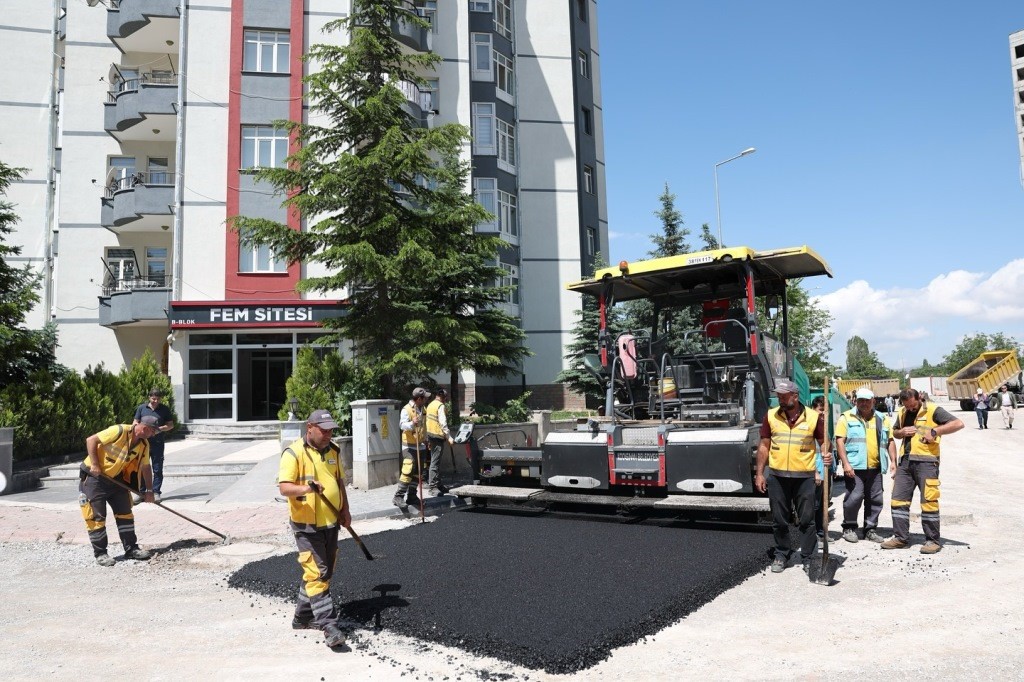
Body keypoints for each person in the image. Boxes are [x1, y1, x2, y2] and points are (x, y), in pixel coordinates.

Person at [277, 409, 349, 648]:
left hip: (330, 522)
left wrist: (345, 510)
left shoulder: (334, 451)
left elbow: (339, 482)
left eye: (330, 430)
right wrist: (307, 489)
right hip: (306, 524)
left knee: (321, 572)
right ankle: (329, 626)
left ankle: (302, 617)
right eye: (324, 430)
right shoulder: (294, 453)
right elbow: (284, 488)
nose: (328, 434)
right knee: (317, 572)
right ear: (310, 427)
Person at [755, 379, 829, 574]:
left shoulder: (813, 417)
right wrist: (760, 473)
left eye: (783, 395)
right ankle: (781, 554)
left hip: (804, 476)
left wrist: (826, 454)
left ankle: (807, 557)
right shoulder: (771, 416)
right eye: (778, 395)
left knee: (807, 520)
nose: (779, 398)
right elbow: (764, 446)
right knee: (779, 519)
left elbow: (823, 442)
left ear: (795, 396)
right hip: (778, 476)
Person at [883, 388, 964, 553]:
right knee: (898, 500)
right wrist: (901, 432)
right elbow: (896, 432)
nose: (911, 409)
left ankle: (932, 541)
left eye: (913, 405)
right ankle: (900, 538)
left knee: (929, 501)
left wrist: (935, 431)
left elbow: (958, 423)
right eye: (907, 406)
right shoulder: (903, 412)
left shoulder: (933, 410)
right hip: (905, 462)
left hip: (927, 462)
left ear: (919, 398)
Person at [79, 417, 160, 566]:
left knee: (125, 513)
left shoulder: (143, 444)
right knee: (96, 517)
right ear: (145, 428)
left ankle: (131, 549)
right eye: (153, 431)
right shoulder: (119, 430)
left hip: (116, 480)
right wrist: (95, 464)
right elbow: (91, 440)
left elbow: (145, 467)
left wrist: (149, 490)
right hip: (94, 478)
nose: (153, 435)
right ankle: (101, 554)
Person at [835, 388, 897, 544]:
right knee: (854, 497)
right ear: (855, 401)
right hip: (855, 467)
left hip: (876, 467)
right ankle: (849, 527)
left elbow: (889, 441)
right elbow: (840, 441)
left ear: (873, 401)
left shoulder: (881, 418)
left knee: (875, 499)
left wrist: (893, 461)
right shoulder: (847, 417)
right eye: (860, 400)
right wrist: (846, 463)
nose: (863, 403)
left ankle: (870, 529)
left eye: (867, 400)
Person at [132, 388, 174, 503]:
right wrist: (139, 428)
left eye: (157, 399)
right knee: (141, 468)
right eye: (153, 398)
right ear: (149, 397)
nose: (155, 401)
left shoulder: (164, 409)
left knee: (157, 468)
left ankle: (156, 492)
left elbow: (170, 425)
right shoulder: (142, 408)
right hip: (142, 443)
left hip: (157, 443)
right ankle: (140, 493)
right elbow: (135, 422)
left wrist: (159, 429)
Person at [392, 387, 431, 510]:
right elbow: (402, 425)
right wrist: (411, 423)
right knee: (408, 470)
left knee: (418, 473)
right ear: (419, 398)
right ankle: (398, 496)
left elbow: (424, 426)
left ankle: (412, 496)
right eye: (424, 397)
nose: (426, 399)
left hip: (421, 445)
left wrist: (426, 439)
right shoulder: (407, 409)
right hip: (409, 446)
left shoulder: (422, 409)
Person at [425, 388, 455, 496]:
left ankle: (438, 484)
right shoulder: (440, 406)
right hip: (437, 436)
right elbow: (443, 423)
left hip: (430, 435)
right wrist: (449, 437)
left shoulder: (431, 404)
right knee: (435, 462)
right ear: (444, 397)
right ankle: (432, 487)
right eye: (446, 398)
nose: (446, 400)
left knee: (434, 461)